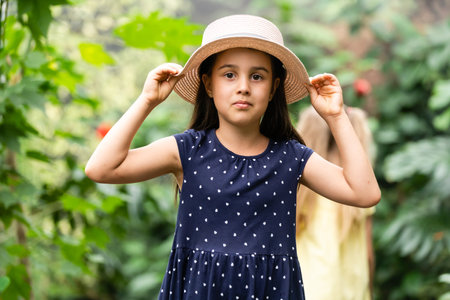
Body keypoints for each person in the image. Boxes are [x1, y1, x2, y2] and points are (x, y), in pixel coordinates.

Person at [85, 14, 380, 300]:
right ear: (209, 84)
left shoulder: (291, 158)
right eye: (229, 74)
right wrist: (147, 100)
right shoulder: (187, 150)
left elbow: (364, 192)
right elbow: (102, 169)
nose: (243, 86)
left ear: (274, 87)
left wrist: (335, 115)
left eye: (257, 76)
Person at [296, 106, 376, 300]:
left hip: (308, 289)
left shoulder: (300, 190)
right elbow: (368, 254)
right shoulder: (360, 191)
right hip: (351, 290)